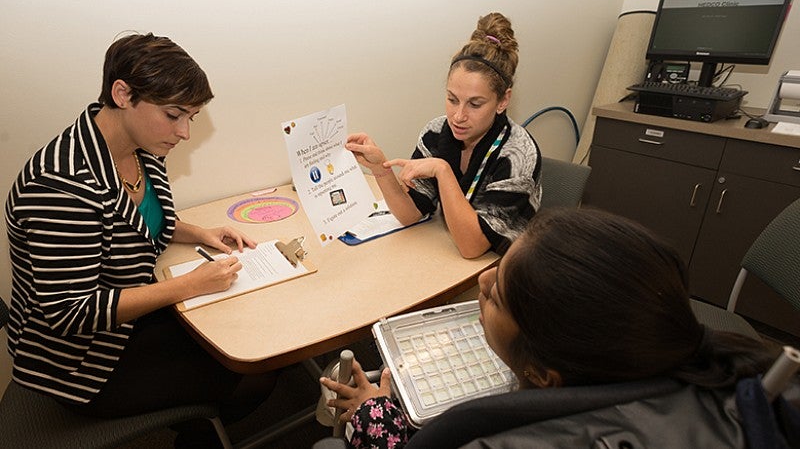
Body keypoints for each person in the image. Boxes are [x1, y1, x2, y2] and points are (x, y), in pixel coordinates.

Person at [320, 207, 775, 448]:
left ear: (540, 376)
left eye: (496, 293)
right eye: (498, 268)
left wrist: (371, 412)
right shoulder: (678, 364)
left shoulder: (495, 434)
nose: (481, 279)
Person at [4, 33, 272, 439]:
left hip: (127, 318)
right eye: (173, 114)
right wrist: (186, 286)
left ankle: (194, 419)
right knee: (254, 371)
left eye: (191, 118)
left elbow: (130, 218)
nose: (184, 132)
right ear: (123, 93)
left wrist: (195, 231)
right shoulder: (59, 187)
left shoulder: (139, 145)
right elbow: (69, 313)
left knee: (245, 325)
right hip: (79, 361)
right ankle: (198, 426)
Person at [346, 12, 541, 259]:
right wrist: (381, 169)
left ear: (503, 100)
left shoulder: (518, 154)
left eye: (475, 104)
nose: (458, 116)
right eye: (452, 99)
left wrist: (443, 170)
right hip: (450, 258)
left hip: (503, 271)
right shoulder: (435, 133)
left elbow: (473, 247)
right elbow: (410, 214)